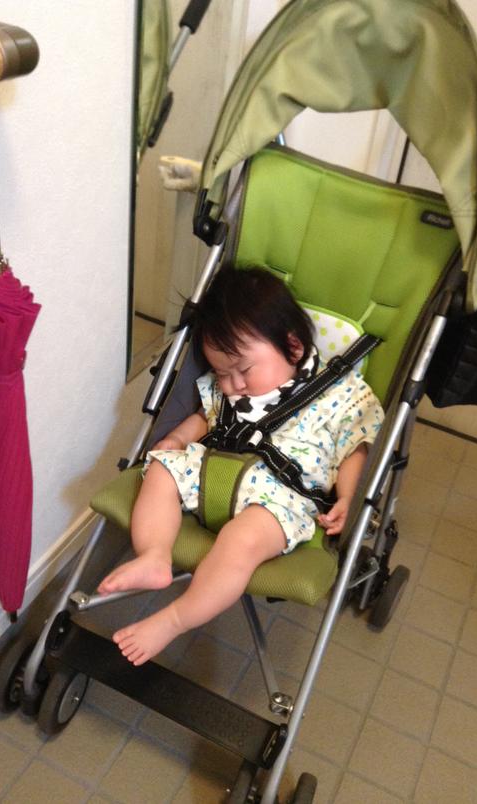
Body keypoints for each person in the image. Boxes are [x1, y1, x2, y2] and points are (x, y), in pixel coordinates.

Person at [98, 266, 383, 665]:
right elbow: (205, 417)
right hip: (215, 470)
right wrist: (177, 440)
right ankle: (154, 555)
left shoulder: (341, 392)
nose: (233, 385)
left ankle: (174, 619)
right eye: (221, 373)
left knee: (241, 541)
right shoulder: (229, 386)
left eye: (244, 370)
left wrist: (349, 497)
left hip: (279, 500)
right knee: (160, 469)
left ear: (293, 347)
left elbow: (354, 450)